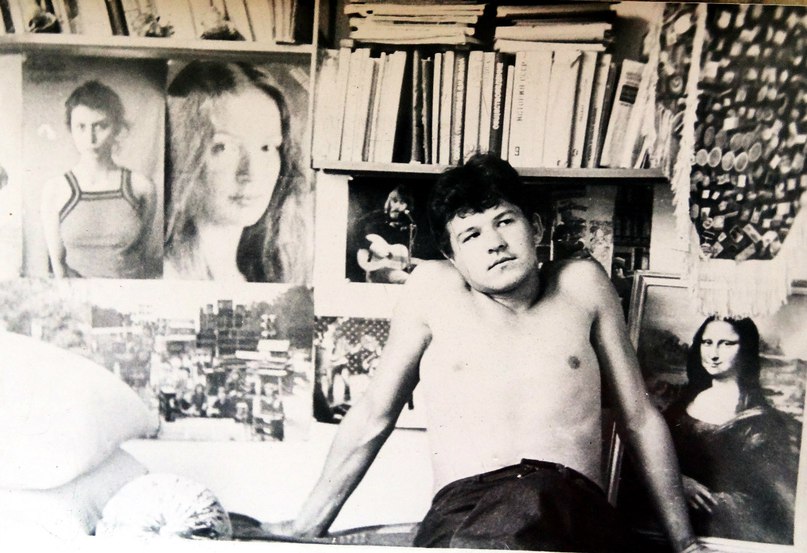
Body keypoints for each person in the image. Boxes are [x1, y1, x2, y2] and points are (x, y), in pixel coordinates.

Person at [267, 154, 711, 553]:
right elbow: (372, 415)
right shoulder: (434, 290)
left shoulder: (582, 284)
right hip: (463, 513)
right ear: (452, 255)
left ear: (536, 228)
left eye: (505, 221)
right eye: (471, 234)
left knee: (537, 495)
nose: (494, 242)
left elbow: (639, 418)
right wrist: (306, 527)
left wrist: (686, 544)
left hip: (569, 509)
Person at [165, 61, 311, 283]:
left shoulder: (265, 275)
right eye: (223, 147)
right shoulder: (168, 275)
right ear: (181, 151)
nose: (251, 173)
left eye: (266, 147)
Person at [662, 316, 801, 544]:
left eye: (726, 343)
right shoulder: (680, 407)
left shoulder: (763, 421)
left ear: (745, 348)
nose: (713, 353)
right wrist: (678, 482)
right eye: (707, 342)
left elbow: (769, 499)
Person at [40, 80, 159, 279]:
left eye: (101, 126)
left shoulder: (141, 188)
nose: (90, 138)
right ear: (70, 129)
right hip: (78, 296)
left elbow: (142, 256)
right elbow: (58, 269)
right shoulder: (55, 190)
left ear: (117, 128)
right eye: (81, 127)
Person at [353, 185, 420, 284]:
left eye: (402, 202)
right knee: (408, 280)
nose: (397, 206)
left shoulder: (408, 227)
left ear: (407, 206)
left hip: (395, 270)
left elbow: (401, 258)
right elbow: (354, 232)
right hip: (375, 271)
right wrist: (370, 245)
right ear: (388, 201)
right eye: (394, 201)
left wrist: (421, 262)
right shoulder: (375, 217)